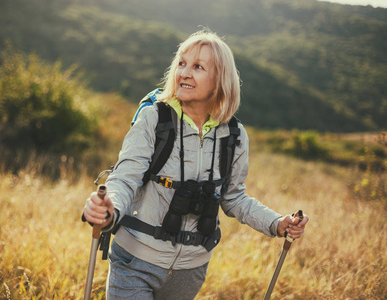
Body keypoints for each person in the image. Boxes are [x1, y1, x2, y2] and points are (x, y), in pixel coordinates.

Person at [82, 29, 309, 300]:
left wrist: (277, 222)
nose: (184, 73)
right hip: (135, 261)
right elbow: (125, 176)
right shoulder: (154, 120)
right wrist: (111, 208)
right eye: (181, 63)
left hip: (190, 270)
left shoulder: (234, 135)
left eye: (198, 67)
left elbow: (233, 197)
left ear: (219, 80)